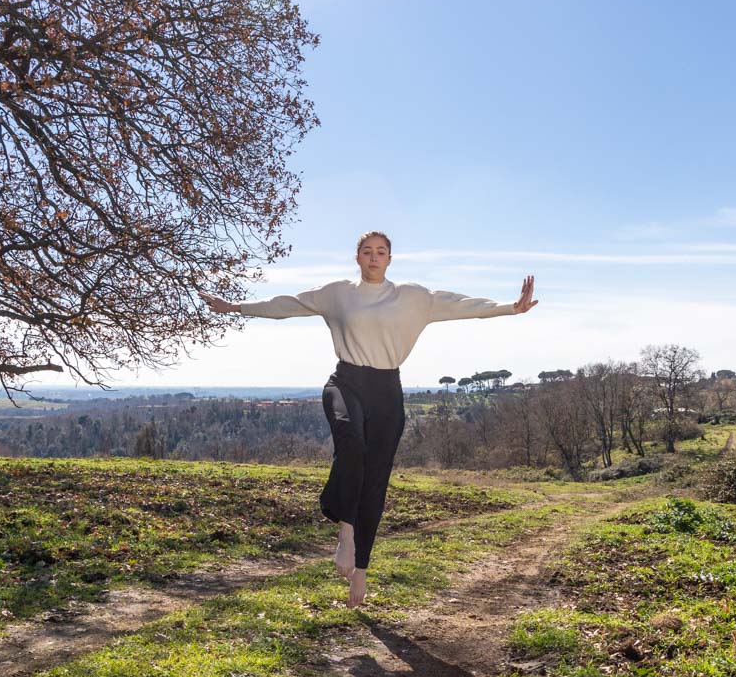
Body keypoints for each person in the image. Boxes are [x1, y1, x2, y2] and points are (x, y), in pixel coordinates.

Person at [199, 232, 537, 607]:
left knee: (376, 482)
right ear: (357, 257)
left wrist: (510, 307)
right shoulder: (338, 292)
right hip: (346, 381)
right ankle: (345, 529)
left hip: (387, 391)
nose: (374, 258)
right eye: (367, 252)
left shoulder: (414, 297)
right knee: (350, 443)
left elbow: (462, 305)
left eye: (381, 252)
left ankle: (360, 571)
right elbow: (288, 304)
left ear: (390, 259)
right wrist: (235, 307)